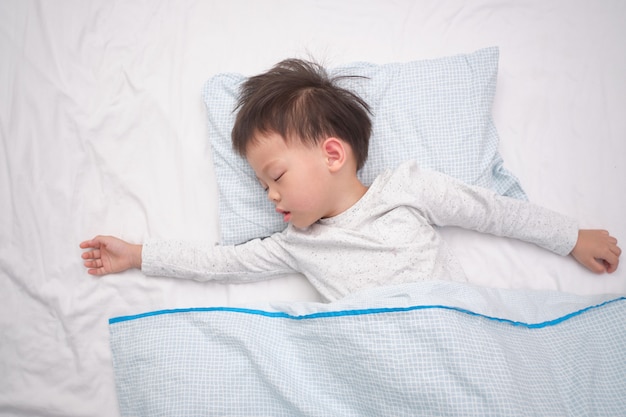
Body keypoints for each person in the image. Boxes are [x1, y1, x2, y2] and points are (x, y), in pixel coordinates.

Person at [80, 58, 621, 302]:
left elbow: (492, 210)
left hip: (447, 331)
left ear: (332, 153)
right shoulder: (298, 245)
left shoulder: (406, 188)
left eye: (275, 177)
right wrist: (139, 254)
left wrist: (570, 237)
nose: (269, 196)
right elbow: (222, 263)